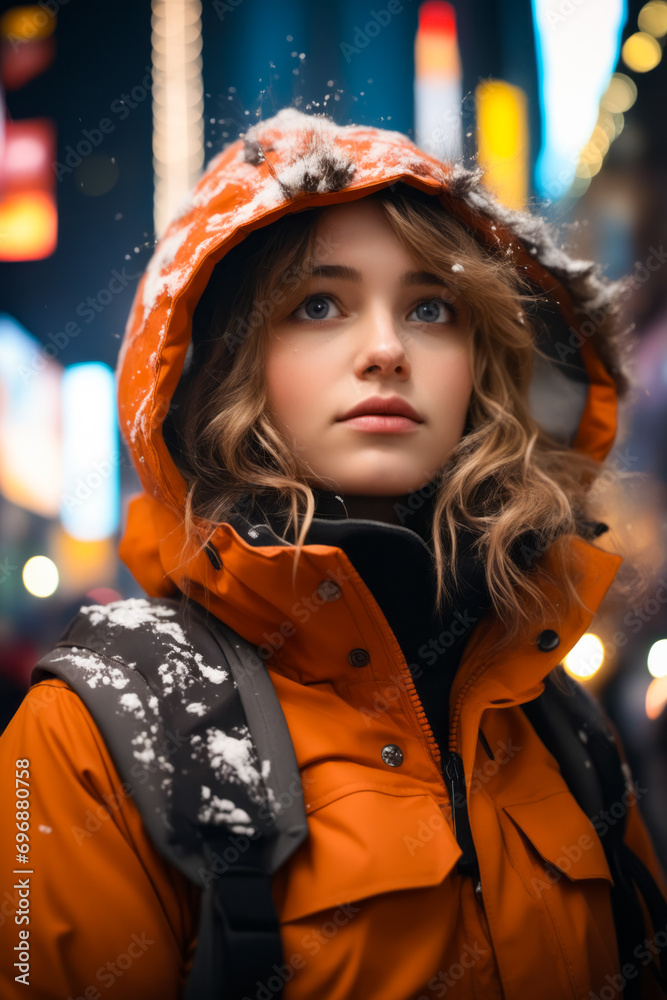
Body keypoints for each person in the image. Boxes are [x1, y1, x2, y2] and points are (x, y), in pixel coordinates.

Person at [0, 106, 666, 1000]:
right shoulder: (96, 735)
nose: (386, 350)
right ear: (229, 360)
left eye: (430, 307)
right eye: (319, 304)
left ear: (482, 364)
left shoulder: (558, 719)